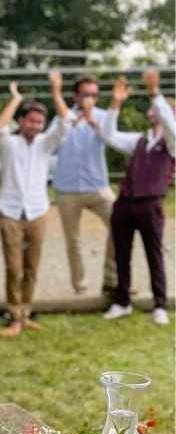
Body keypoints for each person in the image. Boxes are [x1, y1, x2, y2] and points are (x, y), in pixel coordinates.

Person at [0, 72, 73, 337]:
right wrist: (16, 98)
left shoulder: (45, 144)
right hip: (10, 211)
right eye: (32, 120)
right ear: (22, 121)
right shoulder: (9, 144)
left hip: (38, 211)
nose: (37, 125)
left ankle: (26, 314)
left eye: (40, 121)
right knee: (13, 268)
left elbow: (65, 122)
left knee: (32, 268)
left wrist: (56, 91)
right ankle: (13, 316)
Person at [101, 70, 174, 326]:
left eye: (160, 108)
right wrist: (115, 104)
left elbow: (170, 124)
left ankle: (160, 304)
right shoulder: (139, 140)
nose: (154, 109)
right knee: (122, 253)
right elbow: (109, 136)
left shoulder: (172, 142)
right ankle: (122, 302)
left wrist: (155, 93)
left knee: (154, 255)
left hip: (151, 204)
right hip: (125, 203)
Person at [50, 75, 118, 295]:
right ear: (75, 96)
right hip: (67, 190)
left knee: (121, 226)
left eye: (95, 95)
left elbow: (111, 140)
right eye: (86, 94)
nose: (91, 98)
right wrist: (74, 120)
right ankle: (80, 288)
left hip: (98, 186)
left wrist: (92, 121)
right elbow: (51, 145)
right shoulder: (61, 117)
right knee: (73, 241)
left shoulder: (104, 117)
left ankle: (111, 280)